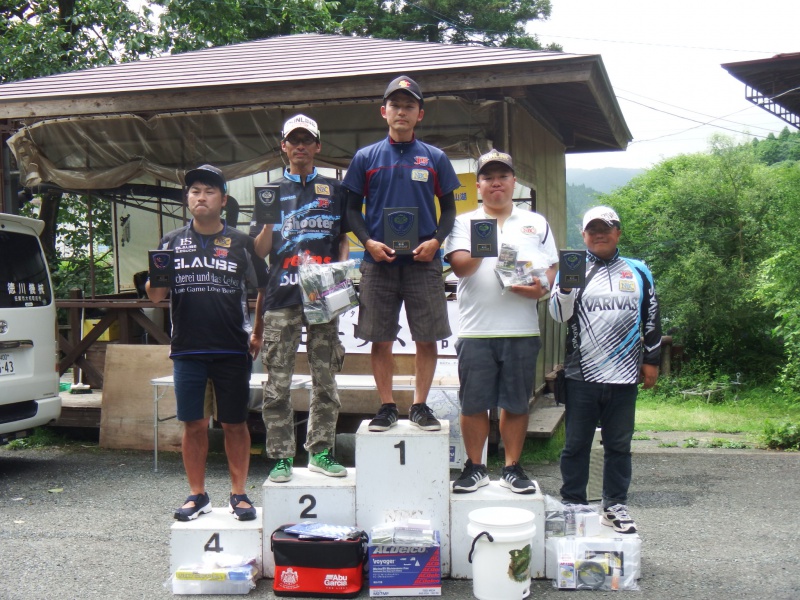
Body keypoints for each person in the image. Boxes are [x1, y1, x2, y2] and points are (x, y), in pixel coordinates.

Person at [146, 164, 268, 522]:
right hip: (187, 349)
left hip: (232, 347)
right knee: (194, 424)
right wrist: (158, 272)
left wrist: (257, 332)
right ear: (188, 199)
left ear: (223, 200)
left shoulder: (243, 243)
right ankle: (197, 495)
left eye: (209, 191)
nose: (201, 197)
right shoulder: (170, 241)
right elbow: (155, 297)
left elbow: (264, 287)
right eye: (195, 191)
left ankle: (240, 494)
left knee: (234, 423)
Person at [343, 75, 461, 432]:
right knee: (379, 337)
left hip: (424, 262)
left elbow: (450, 211)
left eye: (409, 105)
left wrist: (436, 242)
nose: (401, 111)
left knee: (427, 336)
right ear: (384, 111)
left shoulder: (435, 158)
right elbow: (350, 210)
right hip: (378, 262)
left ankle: (421, 404)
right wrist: (368, 243)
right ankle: (387, 405)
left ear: (419, 114)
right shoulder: (365, 158)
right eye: (395, 105)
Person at [443, 151, 558, 494]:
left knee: (516, 402)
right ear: (478, 185)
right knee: (474, 402)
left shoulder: (535, 222)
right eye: (489, 177)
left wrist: (541, 286)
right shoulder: (464, 222)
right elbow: (461, 267)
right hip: (476, 329)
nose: (496, 183)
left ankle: (512, 467)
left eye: (503, 176)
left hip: (522, 328)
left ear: (513, 182)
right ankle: (475, 467)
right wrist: (484, 241)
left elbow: (551, 266)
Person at [549, 205, 661, 533]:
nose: (600, 234)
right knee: (576, 444)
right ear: (583, 235)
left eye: (606, 228)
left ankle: (614, 505)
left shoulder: (638, 270)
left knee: (618, 445)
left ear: (618, 232)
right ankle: (572, 504)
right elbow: (558, 314)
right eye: (593, 229)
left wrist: (651, 361)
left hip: (625, 376)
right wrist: (567, 288)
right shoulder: (574, 266)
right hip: (582, 374)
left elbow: (651, 317)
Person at [249, 115, 349, 483]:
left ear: (318, 146)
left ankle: (321, 451)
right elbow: (260, 251)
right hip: (282, 294)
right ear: (284, 147)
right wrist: (270, 220)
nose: (301, 146)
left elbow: (343, 238)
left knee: (326, 377)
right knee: (278, 380)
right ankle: (280, 456)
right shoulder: (269, 191)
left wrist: (338, 273)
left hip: (323, 295)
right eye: (294, 140)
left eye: (307, 140)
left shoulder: (334, 190)